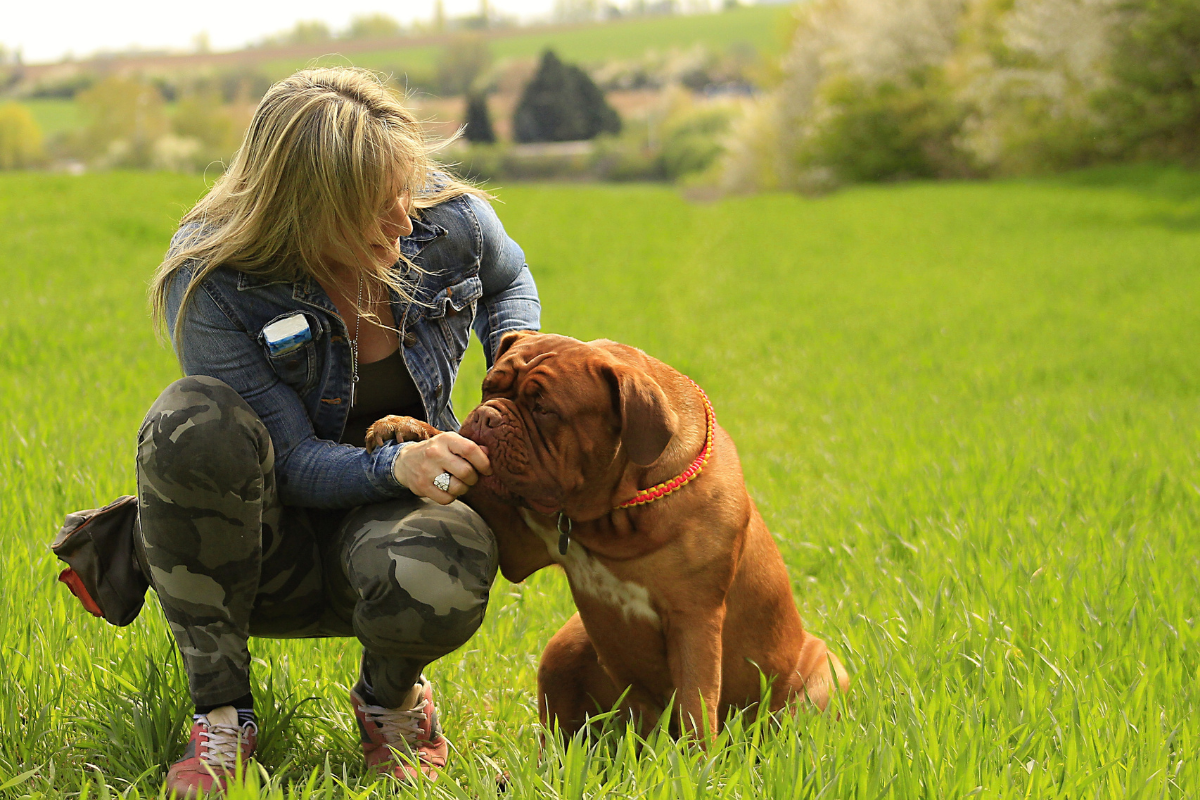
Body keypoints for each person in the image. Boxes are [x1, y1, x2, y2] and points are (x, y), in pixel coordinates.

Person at [138, 67, 540, 796]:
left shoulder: (447, 223)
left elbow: (508, 278)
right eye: (376, 207)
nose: (405, 221)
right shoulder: (217, 280)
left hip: (400, 521)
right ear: (306, 211)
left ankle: (393, 706)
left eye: (404, 190)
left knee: (442, 562)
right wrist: (395, 466)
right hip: (265, 533)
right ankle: (222, 718)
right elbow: (290, 459)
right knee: (190, 419)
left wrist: (515, 359)